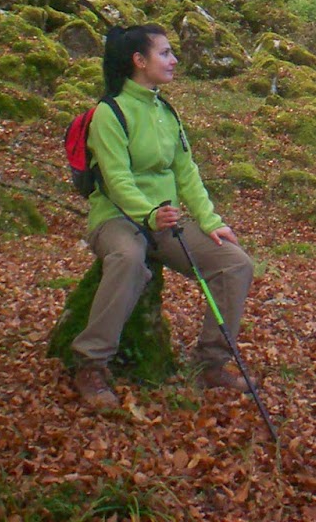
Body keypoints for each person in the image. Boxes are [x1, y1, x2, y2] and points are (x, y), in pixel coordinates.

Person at [70, 24, 255, 409]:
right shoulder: (110, 113)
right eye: (165, 53)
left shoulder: (165, 111)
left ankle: (211, 363)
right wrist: (148, 213)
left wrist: (210, 221)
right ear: (139, 61)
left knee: (234, 264)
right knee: (128, 259)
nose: (173, 60)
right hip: (117, 220)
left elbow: (186, 172)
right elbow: (118, 180)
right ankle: (91, 364)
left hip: (166, 222)